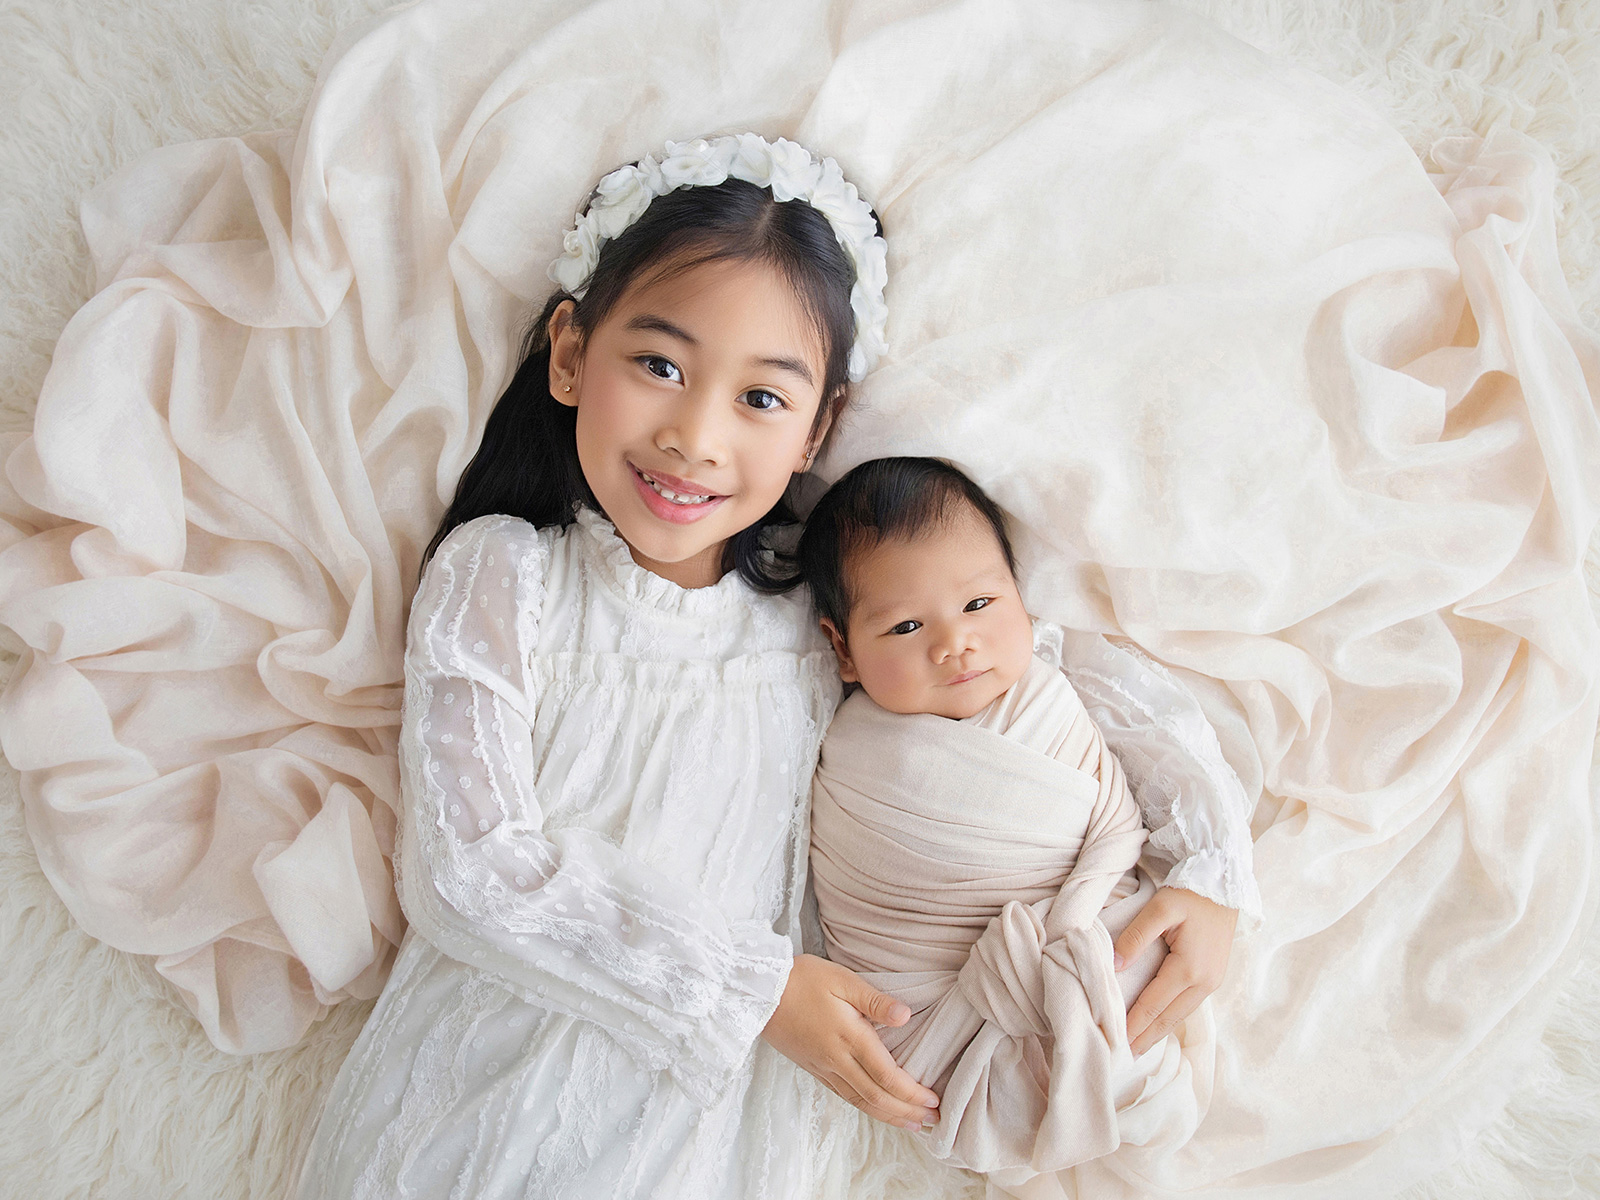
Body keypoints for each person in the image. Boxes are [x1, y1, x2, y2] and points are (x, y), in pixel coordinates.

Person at [292, 134, 1256, 1200]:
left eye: (761, 398)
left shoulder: (821, 616)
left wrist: (1212, 874)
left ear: (816, 431)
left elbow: (1072, 678)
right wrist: (750, 990)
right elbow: (466, 869)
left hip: (716, 1139)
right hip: (484, 1107)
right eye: (659, 366)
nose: (696, 437)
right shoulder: (506, 573)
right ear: (569, 354)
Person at [800, 457, 1231, 1195]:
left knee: (1136, 972)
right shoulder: (850, 754)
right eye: (906, 625)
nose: (954, 643)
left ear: (1021, 596)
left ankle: (1103, 1065)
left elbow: (1161, 781)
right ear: (843, 649)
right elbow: (857, 903)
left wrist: (1213, 881)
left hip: (1086, 937)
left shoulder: (1058, 689)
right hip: (938, 1017)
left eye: (979, 603)